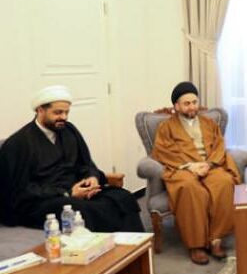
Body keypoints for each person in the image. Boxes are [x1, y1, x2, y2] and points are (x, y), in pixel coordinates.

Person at [0, 85, 144, 232]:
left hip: (76, 191)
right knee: (82, 210)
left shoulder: (69, 130)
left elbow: (86, 164)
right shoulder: (18, 143)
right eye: (58, 112)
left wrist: (92, 177)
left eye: (66, 112)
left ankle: (136, 244)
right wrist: (67, 193)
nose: (64, 117)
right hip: (42, 202)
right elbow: (21, 191)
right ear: (40, 110)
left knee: (122, 197)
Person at [152, 82, 240, 265]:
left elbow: (219, 146)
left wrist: (208, 164)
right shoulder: (166, 127)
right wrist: (190, 166)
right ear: (177, 106)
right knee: (190, 188)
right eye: (187, 103)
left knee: (224, 182)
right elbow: (162, 151)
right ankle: (196, 245)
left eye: (194, 102)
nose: (192, 107)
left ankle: (216, 239)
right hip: (183, 168)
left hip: (210, 165)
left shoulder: (209, 123)